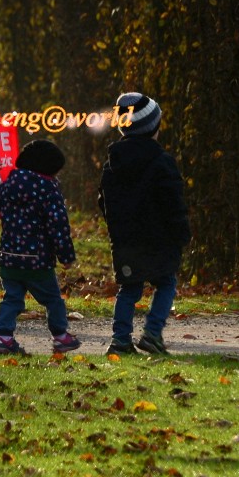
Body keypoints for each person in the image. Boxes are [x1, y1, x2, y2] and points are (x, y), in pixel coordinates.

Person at [99, 91, 190, 355]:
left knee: (129, 289)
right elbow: (173, 202)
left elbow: (103, 202)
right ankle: (152, 332)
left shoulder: (112, 164)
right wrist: (181, 233)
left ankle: (120, 339)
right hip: (160, 240)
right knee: (166, 283)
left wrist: (115, 228)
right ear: (154, 128)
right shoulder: (163, 162)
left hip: (126, 241)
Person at [0, 140, 81, 356]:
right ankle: (61, 336)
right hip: (38, 261)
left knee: (12, 299)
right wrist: (66, 256)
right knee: (53, 300)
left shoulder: (9, 184)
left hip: (8, 259)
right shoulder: (49, 190)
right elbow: (58, 225)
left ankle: (3, 338)